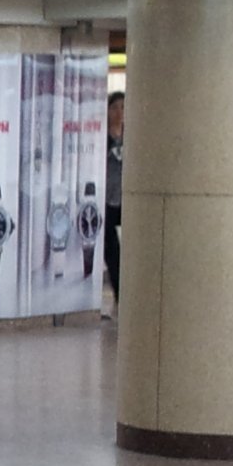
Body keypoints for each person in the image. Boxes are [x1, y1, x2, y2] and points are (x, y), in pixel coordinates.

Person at [105, 91, 125, 306]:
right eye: (115, 108)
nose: (119, 112)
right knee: (112, 252)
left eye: (123, 108)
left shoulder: (133, 135)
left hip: (126, 198)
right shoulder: (103, 137)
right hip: (107, 200)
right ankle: (119, 294)